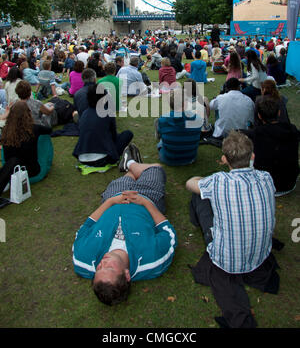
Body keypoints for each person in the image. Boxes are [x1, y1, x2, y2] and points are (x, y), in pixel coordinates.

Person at [187, 130, 279, 328]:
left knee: (199, 196)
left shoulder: (218, 181)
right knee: (206, 195)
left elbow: (189, 184)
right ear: (252, 156)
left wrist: (197, 178)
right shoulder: (266, 178)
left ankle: (197, 224)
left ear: (224, 159)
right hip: (260, 256)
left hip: (226, 260)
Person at [72, 153, 177, 305]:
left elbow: (86, 226)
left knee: (127, 177)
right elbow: (168, 232)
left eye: (99, 269)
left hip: (114, 197)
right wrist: (145, 203)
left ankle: (131, 167)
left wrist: (111, 201)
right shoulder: (153, 259)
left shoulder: (83, 260)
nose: (102, 263)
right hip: (148, 197)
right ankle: (132, 163)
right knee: (156, 168)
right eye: (109, 268)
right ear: (127, 275)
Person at [244, 96, 299, 197]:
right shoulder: (292, 129)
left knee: (245, 157)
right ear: (279, 112)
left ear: (259, 116)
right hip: (289, 182)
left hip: (266, 186)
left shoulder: (255, 134)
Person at [73, 84, 133, 167]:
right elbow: (113, 136)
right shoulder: (108, 112)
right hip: (103, 158)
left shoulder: (84, 114)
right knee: (128, 134)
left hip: (82, 156)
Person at [0, 101, 52, 195]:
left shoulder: (5, 130)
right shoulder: (35, 128)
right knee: (44, 138)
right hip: (32, 171)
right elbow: (49, 130)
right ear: (28, 113)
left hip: (12, 172)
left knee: (13, 159)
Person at [156, 89, 203, 166]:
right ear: (185, 103)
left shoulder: (162, 119)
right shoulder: (197, 118)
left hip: (169, 158)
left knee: (161, 142)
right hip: (190, 157)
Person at [207, 78, 254, 143]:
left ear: (226, 88)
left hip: (224, 133)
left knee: (218, 107)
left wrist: (219, 96)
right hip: (243, 132)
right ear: (239, 87)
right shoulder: (248, 100)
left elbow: (211, 106)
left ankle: (219, 126)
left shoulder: (221, 98)